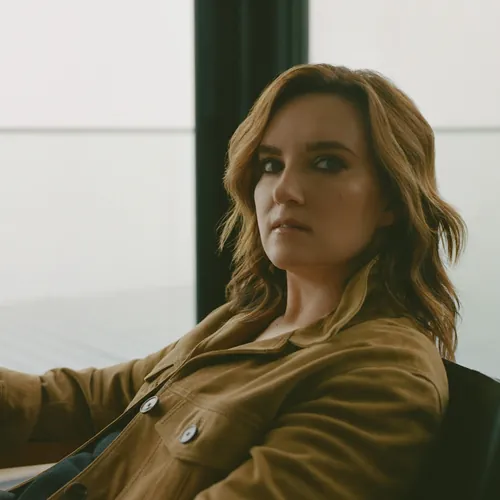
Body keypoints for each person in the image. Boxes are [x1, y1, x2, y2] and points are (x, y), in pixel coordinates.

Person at [0, 63, 466, 500]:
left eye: (327, 163)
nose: (283, 190)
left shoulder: (380, 374)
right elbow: (97, 396)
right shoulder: (244, 321)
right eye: (270, 164)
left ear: (392, 200)